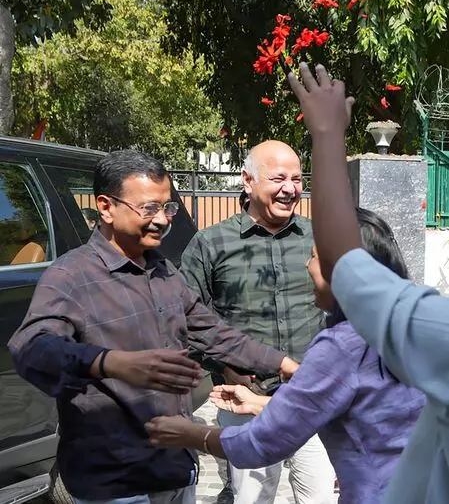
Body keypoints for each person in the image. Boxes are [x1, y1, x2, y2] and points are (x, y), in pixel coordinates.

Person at [7, 150, 298, 504]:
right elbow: (31, 349)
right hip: (115, 482)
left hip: (174, 469)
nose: (162, 220)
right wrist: (108, 362)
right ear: (106, 207)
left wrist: (285, 365)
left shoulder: (163, 273)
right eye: (149, 208)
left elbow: (216, 335)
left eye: (168, 207)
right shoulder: (71, 276)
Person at [146, 206, 425, 503]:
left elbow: (260, 443)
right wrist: (260, 403)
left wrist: (189, 434)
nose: (306, 265)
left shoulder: (342, 345)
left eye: (314, 256)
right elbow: (355, 409)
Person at [285, 63, 449, 503]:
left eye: (314, 256)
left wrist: (326, 134)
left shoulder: (434, 329)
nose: (309, 265)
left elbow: (345, 261)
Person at [180, 140, 335, 504]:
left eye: (297, 179)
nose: (290, 189)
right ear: (247, 181)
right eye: (278, 178)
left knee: (321, 498)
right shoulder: (211, 244)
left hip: (310, 396)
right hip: (246, 402)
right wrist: (224, 365)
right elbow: (186, 318)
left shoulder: (319, 238)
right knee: (252, 498)